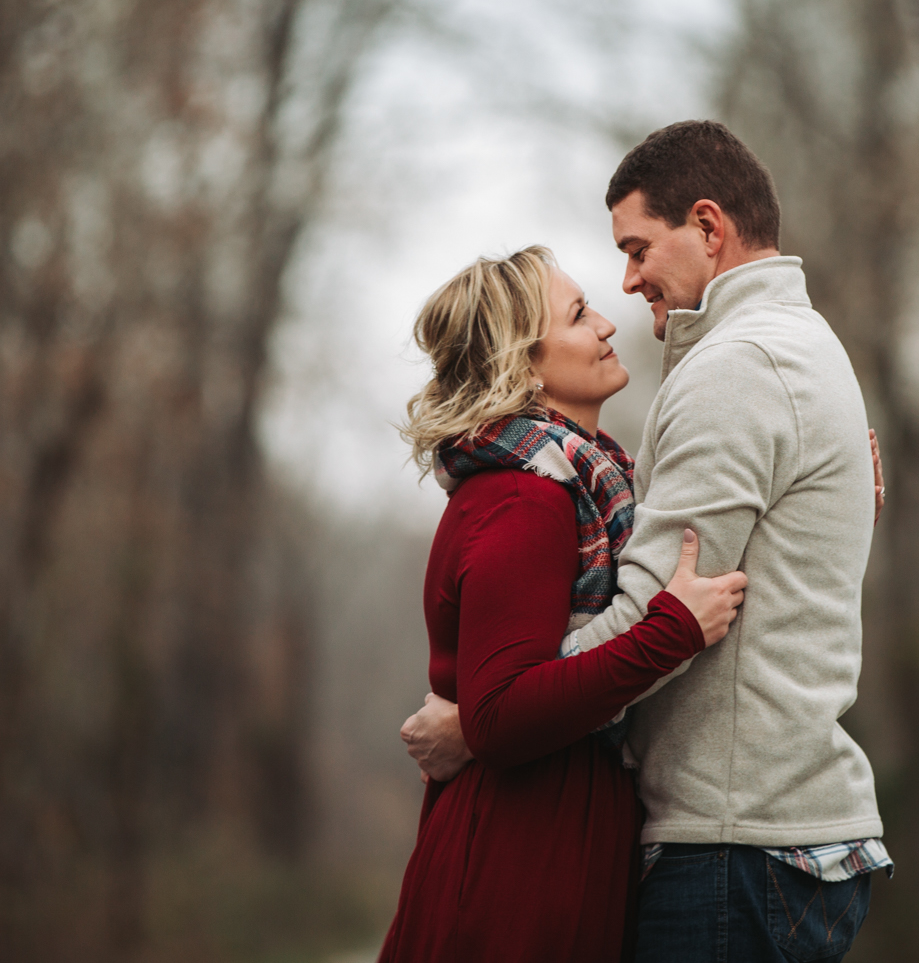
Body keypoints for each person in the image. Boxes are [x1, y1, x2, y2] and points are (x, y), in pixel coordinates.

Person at [402, 121, 890, 962]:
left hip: (737, 836)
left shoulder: (738, 370)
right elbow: (677, 600)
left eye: (635, 250)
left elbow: (650, 604)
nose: (625, 288)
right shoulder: (792, 350)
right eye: (587, 300)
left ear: (707, 228)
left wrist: (478, 727)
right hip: (736, 834)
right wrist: (496, 715)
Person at [376, 245, 750, 963]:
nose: (608, 323)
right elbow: (502, 714)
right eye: (579, 314)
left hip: (550, 844)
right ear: (523, 365)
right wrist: (669, 632)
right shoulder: (524, 498)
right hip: (515, 874)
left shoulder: (578, 480)